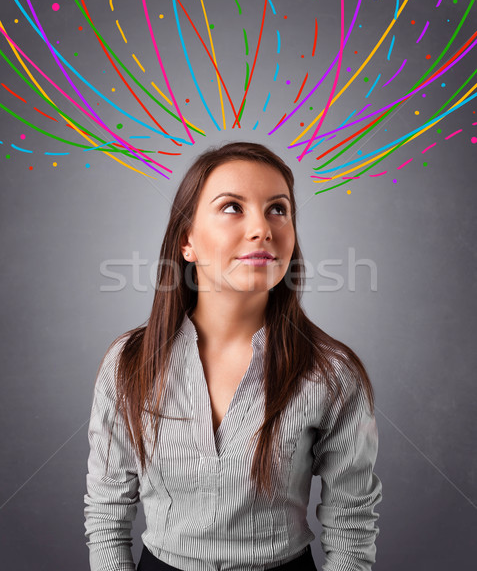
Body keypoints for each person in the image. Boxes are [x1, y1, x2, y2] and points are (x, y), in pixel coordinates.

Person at [84, 141, 383, 571]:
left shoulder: (332, 373)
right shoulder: (128, 362)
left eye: (278, 209)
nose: (263, 228)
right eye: (231, 207)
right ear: (187, 240)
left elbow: (352, 530)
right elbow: (107, 515)